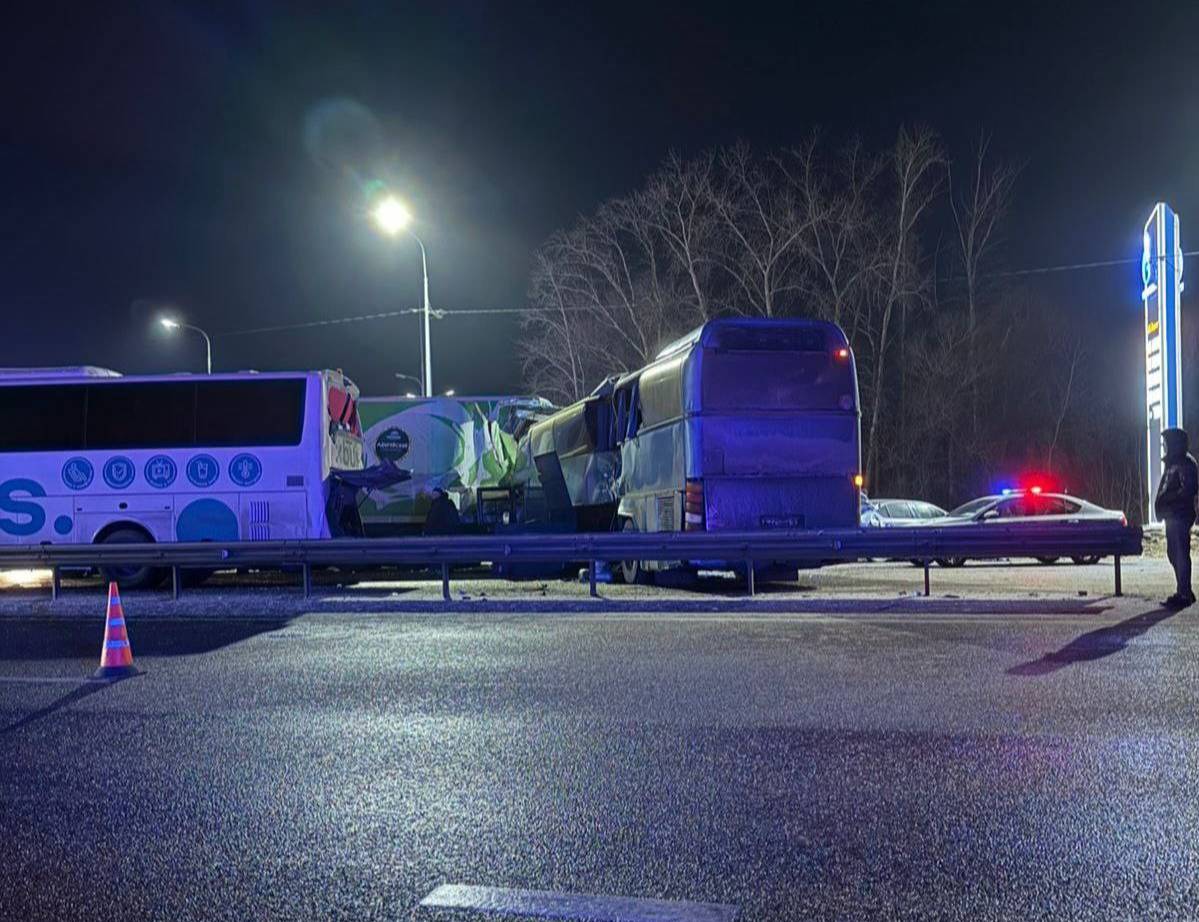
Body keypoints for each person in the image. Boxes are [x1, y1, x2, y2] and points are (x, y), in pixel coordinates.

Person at [1154, 427, 1198, 608]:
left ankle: (1184, 594)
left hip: (1180, 515)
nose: (1164, 445)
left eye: (1166, 442)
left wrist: (1169, 502)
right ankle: (1184, 590)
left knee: (1180, 553)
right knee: (1173, 553)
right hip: (1171, 516)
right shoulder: (1172, 462)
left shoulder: (1185, 463)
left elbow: (1188, 490)